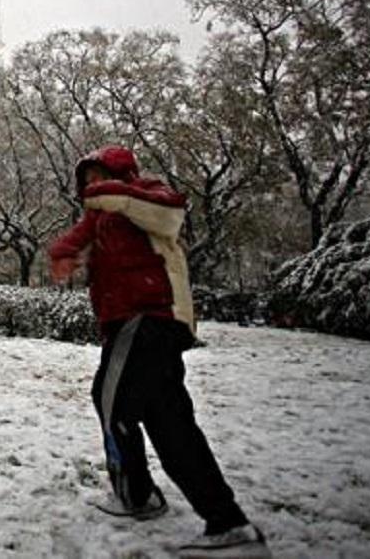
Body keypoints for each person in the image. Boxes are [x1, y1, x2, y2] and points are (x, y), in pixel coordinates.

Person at [48, 145, 271, 559]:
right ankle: (226, 521)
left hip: (148, 319)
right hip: (134, 326)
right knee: (171, 424)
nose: (93, 187)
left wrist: (109, 192)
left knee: (110, 400)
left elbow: (169, 211)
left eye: (100, 176)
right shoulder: (100, 218)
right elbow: (73, 239)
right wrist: (62, 255)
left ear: (120, 172)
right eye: (88, 181)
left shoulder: (146, 195)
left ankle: (136, 495)